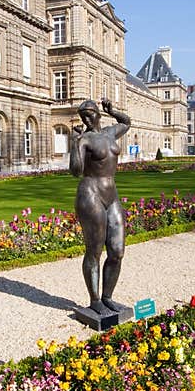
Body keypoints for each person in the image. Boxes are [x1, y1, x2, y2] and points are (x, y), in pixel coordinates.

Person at [69, 97, 131, 316]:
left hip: (111, 195)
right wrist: (75, 143)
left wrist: (113, 111)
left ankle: (107, 297)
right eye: (82, 115)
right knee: (94, 251)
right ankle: (95, 300)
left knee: (117, 251)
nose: (86, 117)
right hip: (90, 194)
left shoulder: (110, 133)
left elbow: (126, 122)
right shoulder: (83, 140)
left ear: (98, 113)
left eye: (89, 113)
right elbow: (76, 171)